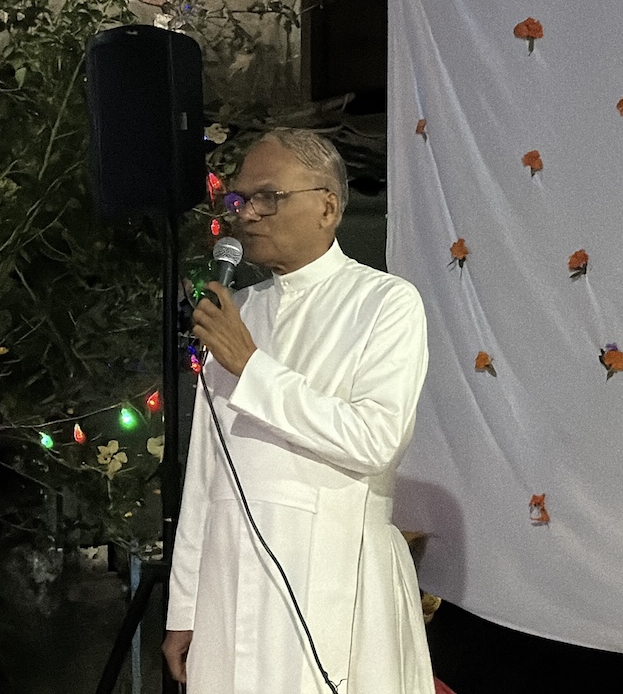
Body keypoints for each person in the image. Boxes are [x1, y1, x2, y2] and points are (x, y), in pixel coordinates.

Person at [162, 128, 434, 694]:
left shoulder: (385, 302)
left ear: (327, 207)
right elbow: (208, 470)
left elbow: (375, 439)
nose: (246, 215)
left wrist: (251, 366)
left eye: (267, 197)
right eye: (239, 199)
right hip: (228, 580)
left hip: (335, 570)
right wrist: (184, 604)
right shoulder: (239, 310)